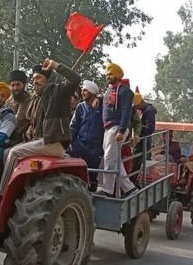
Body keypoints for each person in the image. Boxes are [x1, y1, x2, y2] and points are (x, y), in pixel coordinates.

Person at [0, 59, 80, 195]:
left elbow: (75, 78)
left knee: (14, 153)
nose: (35, 81)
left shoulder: (58, 91)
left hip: (54, 141)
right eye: (33, 78)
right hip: (39, 140)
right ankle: (20, 189)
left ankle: (3, 194)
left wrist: (55, 66)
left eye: (38, 78)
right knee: (6, 152)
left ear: (48, 79)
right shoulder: (38, 99)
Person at [96, 63, 137, 198]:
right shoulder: (109, 90)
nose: (108, 76)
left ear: (118, 75)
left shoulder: (125, 91)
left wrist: (121, 130)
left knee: (109, 158)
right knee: (115, 159)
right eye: (107, 74)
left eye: (110, 74)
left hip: (116, 127)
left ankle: (107, 189)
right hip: (107, 128)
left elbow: (126, 112)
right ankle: (129, 188)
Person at [67, 80, 103, 192]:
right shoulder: (80, 107)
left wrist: (100, 99)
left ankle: (92, 199)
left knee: (92, 176)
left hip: (95, 147)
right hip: (79, 144)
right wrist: (70, 142)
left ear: (92, 92)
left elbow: (107, 96)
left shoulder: (102, 107)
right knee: (67, 162)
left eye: (85, 90)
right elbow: (73, 126)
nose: (82, 93)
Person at [130, 86, 156, 185]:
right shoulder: (143, 110)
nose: (136, 109)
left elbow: (150, 128)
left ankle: (133, 182)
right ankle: (134, 181)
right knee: (137, 162)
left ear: (140, 103)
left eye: (136, 106)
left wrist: (138, 128)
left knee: (138, 162)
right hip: (141, 140)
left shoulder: (148, 111)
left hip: (144, 141)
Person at [5, 70, 31, 144]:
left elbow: (17, 121)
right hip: (7, 134)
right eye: (13, 85)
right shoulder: (8, 101)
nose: (15, 88)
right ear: (9, 86)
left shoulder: (29, 101)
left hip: (21, 138)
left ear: (24, 85)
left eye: (18, 84)